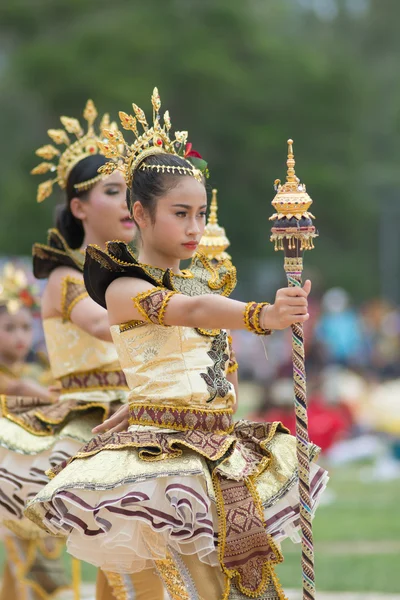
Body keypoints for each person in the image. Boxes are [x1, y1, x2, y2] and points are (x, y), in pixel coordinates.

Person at [26, 88, 328, 600]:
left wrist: (141, 401)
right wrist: (263, 315)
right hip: (162, 465)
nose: (194, 227)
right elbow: (186, 312)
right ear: (140, 215)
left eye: (201, 214)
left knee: (240, 587)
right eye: (180, 214)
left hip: (214, 453)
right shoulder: (123, 286)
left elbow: (203, 354)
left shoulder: (198, 281)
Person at [0, 102, 166, 600]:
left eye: (129, 193)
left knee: (143, 544)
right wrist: (178, 306)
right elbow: (100, 322)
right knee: (124, 540)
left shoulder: (133, 276)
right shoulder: (65, 278)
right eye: (111, 192)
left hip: (132, 415)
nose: (125, 204)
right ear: (78, 207)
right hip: (86, 423)